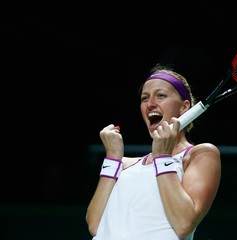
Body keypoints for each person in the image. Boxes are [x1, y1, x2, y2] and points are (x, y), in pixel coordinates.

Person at [85, 64, 222, 240]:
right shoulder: (124, 165)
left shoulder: (200, 155)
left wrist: (163, 158)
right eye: (144, 98)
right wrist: (112, 158)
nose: (150, 104)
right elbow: (95, 226)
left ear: (184, 106)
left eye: (161, 96)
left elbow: (184, 224)